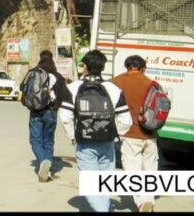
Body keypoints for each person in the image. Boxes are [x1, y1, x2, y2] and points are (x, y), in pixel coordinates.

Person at [59, 50, 132, 212]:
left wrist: (72, 136)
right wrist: (115, 135)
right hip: (107, 142)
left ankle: (102, 210)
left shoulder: (72, 88)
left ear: (84, 67)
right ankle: (103, 207)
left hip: (84, 142)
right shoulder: (114, 89)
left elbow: (65, 117)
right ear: (103, 67)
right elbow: (126, 120)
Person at [111, 55, 158, 213]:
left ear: (127, 67)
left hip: (129, 134)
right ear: (143, 68)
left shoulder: (116, 82)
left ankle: (141, 202)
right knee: (150, 169)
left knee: (133, 169)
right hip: (150, 134)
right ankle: (149, 200)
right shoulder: (153, 84)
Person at [21, 50, 72, 183]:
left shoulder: (32, 73)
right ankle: (47, 165)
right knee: (48, 140)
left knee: (35, 140)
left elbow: (22, 88)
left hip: (35, 111)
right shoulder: (56, 76)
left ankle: (43, 160)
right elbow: (66, 96)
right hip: (50, 111)